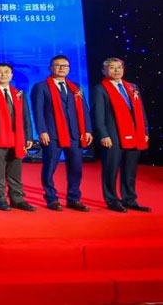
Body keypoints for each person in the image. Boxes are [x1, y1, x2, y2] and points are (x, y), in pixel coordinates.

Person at [30, 55, 93, 212]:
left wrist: (87, 130)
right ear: (50, 68)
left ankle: (74, 198)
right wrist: (42, 131)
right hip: (52, 134)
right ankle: (51, 198)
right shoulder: (41, 86)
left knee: (76, 168)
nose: (62, 68)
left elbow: (84, 109)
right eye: (58, 65)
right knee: (50, 167)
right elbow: (38, 111)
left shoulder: (75, 87)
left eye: (65, 66)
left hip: (75, 134)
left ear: (69, 69)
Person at [90, 58, 151, 212]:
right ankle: (112, 200)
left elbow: (141, 111)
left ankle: (129, 199)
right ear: (104, 71)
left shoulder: (132, 87)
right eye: (112, 67)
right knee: (111, 170)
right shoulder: (99, 89)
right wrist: (103, 134)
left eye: (119, 67)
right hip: (112, 136)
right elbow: (97, 115)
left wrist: (144, 131)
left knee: (130, 170)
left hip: (135, 134)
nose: (116, 70)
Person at [0, 63, 36, 212]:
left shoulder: (19, 94)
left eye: (7, 72)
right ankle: (0, 199)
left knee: (15, 172)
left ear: (12, 75)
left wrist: (29, 137)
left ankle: (17, 199)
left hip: (17, 139)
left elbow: (26, 117)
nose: (3, 74)